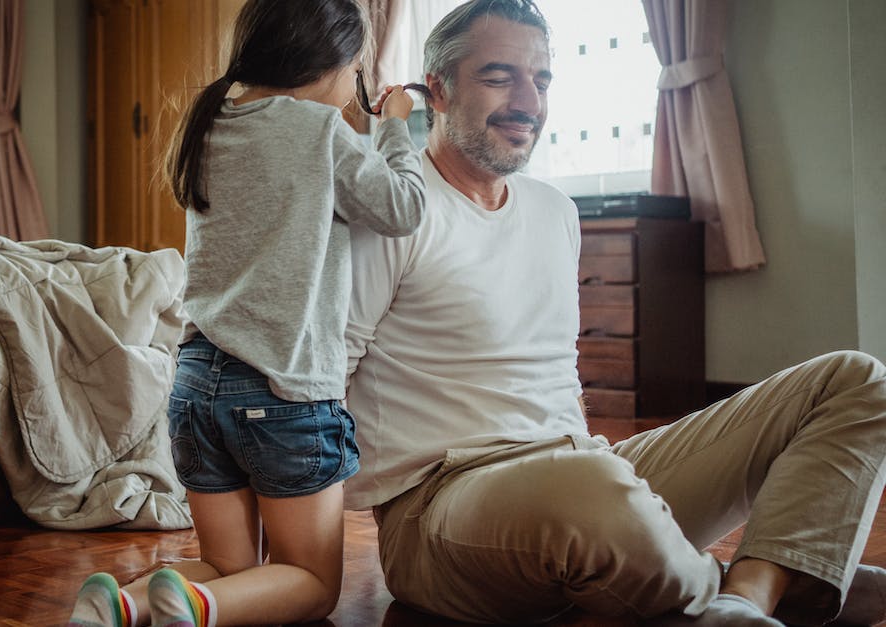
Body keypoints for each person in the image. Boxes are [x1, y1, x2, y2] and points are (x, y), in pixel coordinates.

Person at [344, 0, 886, 625]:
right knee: (590, 487)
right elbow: (324, 381)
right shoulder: (392, 212)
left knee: (855, 379)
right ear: (436, 90)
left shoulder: (555, 212)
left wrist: (589, 464)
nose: (528, 101)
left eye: (541, 79)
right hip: (441, 507)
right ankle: (777, 581)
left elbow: (556, 373)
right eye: (499, 76)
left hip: (585, 469)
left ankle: (749, 598)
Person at [69, 1, 425, 626]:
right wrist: (397, 124)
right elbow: (400, 208)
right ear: (328, 61)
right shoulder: (318, 132)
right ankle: (198, 610)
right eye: (354, 70)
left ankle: (121, 606)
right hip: (281, 391)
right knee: (313, 584)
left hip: (195, 383)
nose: (353, 87)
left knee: (232, 567)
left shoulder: (207, 122)